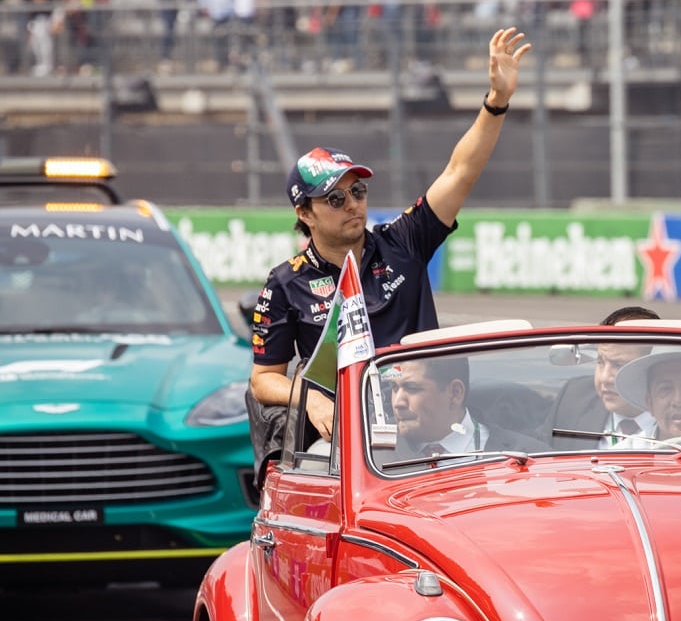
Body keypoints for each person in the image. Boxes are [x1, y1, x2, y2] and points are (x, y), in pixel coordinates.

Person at [248, 26, 532, 445]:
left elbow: (459, 172)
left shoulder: (404, 241)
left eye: (358, 192)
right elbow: (262, 380)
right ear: (305, 213)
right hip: (352, 442)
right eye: (336, 198)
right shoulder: (285, 282)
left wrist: (497, 101)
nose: (353, 204)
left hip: (432, 428)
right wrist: (310, 399)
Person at [546, 306, 659, 447]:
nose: (604, 378)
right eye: (600, 361)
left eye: (619, 365)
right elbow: (536, 448)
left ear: (652, 367)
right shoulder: (575, 397)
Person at [390, 356, 539, 458]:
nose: (398, 402)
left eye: (412, 388)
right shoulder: (378, 456)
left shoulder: (526, 456)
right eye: (394, 388)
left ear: (455, 393)